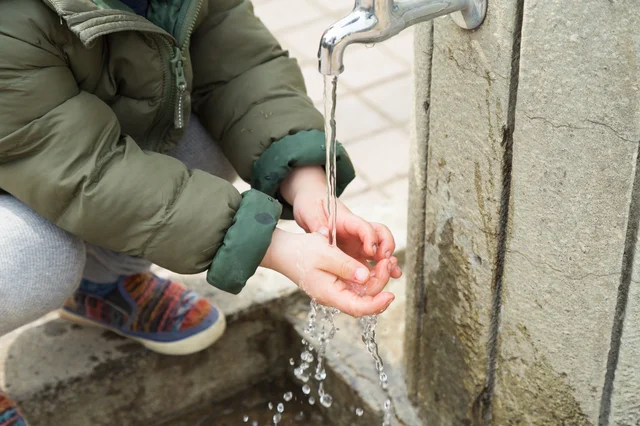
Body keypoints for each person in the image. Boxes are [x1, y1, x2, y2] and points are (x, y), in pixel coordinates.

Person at [0, 0, 402, 423]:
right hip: (30, 160)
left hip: (54, 154)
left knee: (203, 134)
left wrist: (308, 186)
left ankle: (103, 284)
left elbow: (238, 63)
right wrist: (271, 246)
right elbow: (85, 172)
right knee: (37, 260)